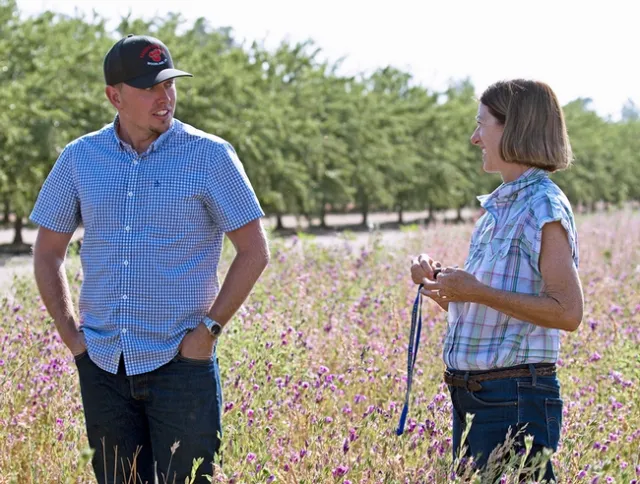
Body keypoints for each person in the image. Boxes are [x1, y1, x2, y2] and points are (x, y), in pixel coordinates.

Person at [30, 34, 270, 484]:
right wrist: (73, 339)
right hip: (102, 363)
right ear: (114, 96)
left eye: (169, 84)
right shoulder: (80, 159)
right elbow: (47, 253)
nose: (165, 97)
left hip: (182, 366)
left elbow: (255, 251)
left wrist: (208, 333)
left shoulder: (211, 157)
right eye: (149, 88)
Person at [410, 79, 583, 482]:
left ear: (513, 127)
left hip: (513, 398)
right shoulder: (498, 210)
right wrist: (440, 285)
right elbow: (490, 309)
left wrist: (478, 291)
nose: (474, 138)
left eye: (481, 124)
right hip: (476, 398)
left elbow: (567, 311)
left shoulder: (544, 205)